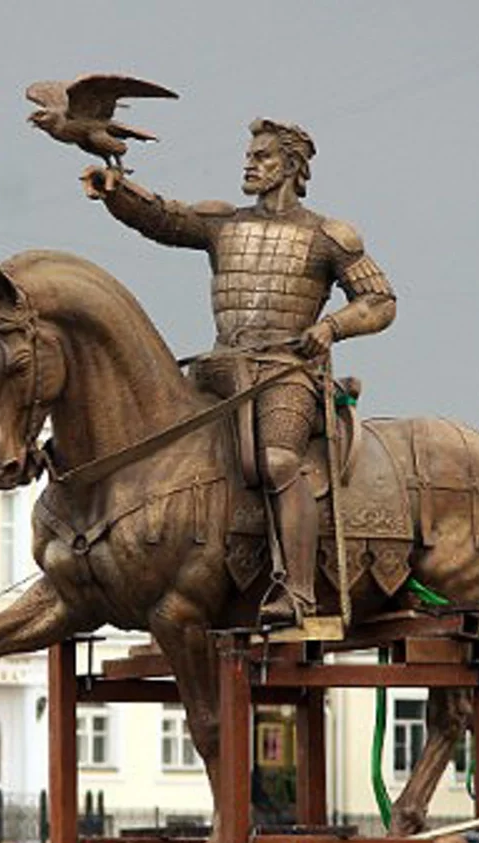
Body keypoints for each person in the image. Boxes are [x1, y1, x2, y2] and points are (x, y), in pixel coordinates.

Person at [82, 119, 396, 627]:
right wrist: (117, 192)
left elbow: (379, 301)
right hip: (218, 370)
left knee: (275, 462)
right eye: (249, 155)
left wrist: (332, 327)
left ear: (292, 167)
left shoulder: (328, 236)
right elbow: (164, 218)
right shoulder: (223, 224)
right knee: (148, 442)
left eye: (263, 156)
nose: (249, 164)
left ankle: (295, 590)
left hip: (283, 373)